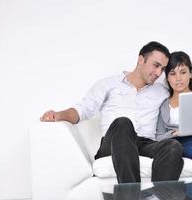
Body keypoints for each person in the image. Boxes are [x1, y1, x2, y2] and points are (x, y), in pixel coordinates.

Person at [40, 41, 184, 183]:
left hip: (144, 143)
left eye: (163, 69)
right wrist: (59, 115)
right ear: (141, 59)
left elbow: (180, 102)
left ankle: (162, 196)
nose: (159, 73)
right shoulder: (108, 84)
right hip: (115, 141)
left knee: (173, 146)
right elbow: (82, 110)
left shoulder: (161, 92)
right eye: (156, 65)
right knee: (123, 123)